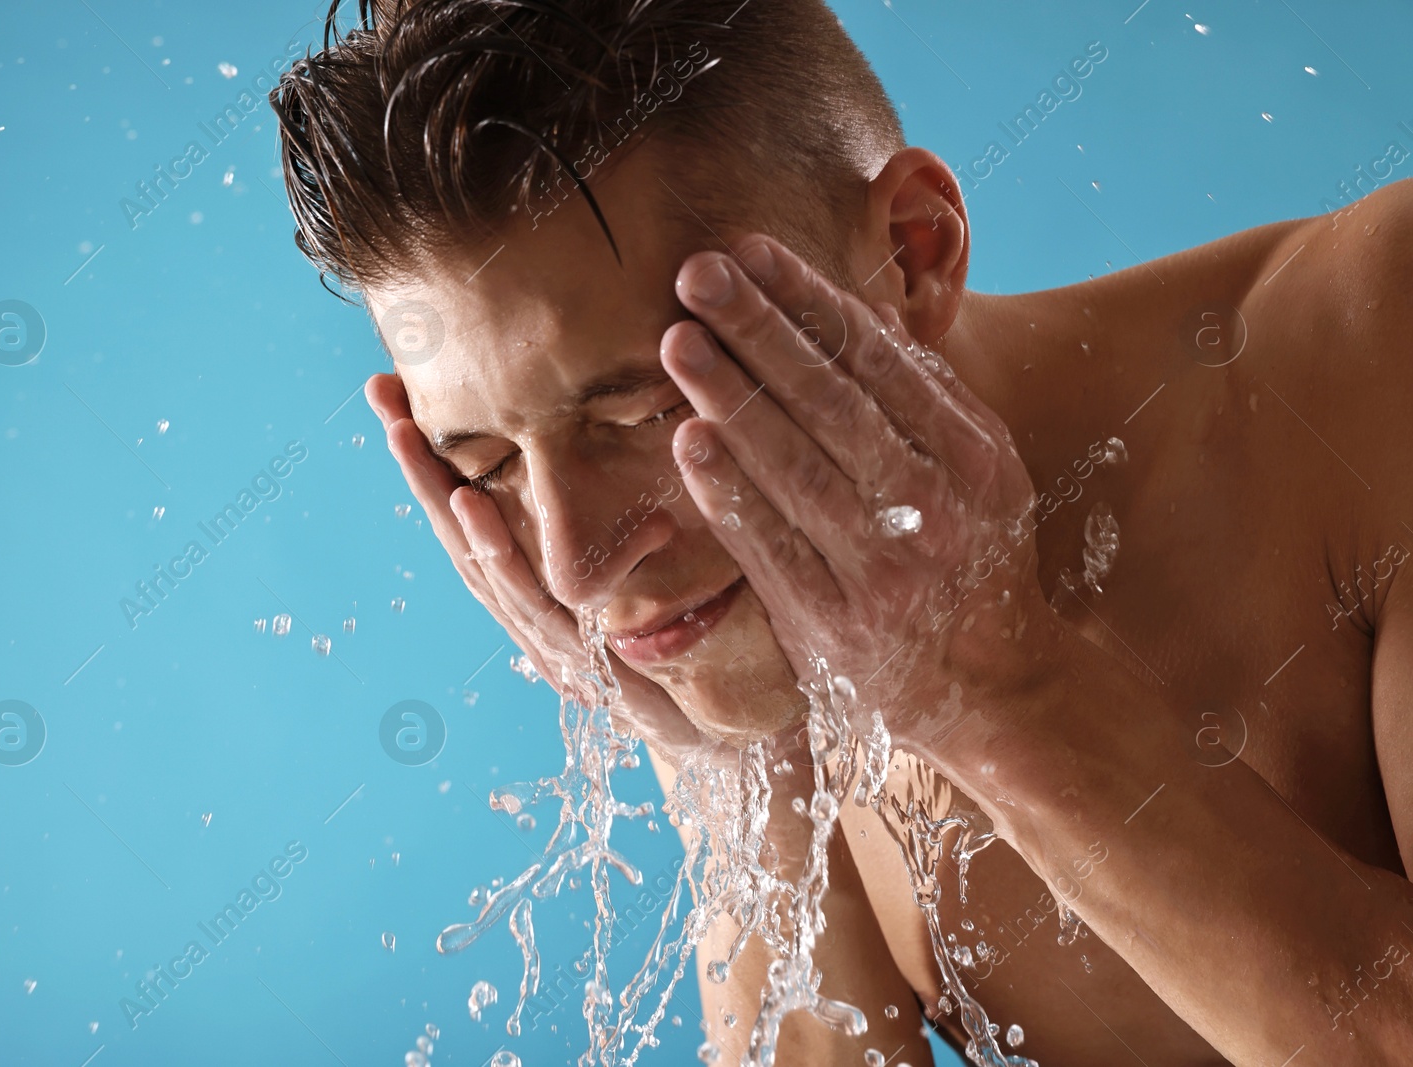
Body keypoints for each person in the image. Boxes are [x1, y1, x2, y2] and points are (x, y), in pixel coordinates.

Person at [270, 1, 1413, 1063]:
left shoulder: (1377, 338)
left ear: (910, 256)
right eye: (487, 463)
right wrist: (728, 764)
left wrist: (1005, 696)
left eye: (645, 412)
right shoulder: (769, 627)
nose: (574, 563)